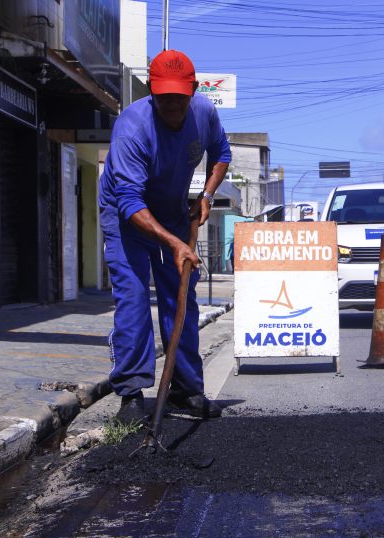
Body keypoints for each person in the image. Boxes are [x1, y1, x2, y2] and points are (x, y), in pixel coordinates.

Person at [98, 50, 231, 422]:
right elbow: (128, 201)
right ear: (152, 91)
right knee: (134, 300)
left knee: (181, 298)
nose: (172, 103)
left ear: (192, 90)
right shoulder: (132, 128)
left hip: (173, 210)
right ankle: (131, 392)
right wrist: (174, 244)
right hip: (127, 217)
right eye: (163, 95)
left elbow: (221, 153)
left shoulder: (204, 113)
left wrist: (205, 196)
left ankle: (185, 389)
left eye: (179, 95)